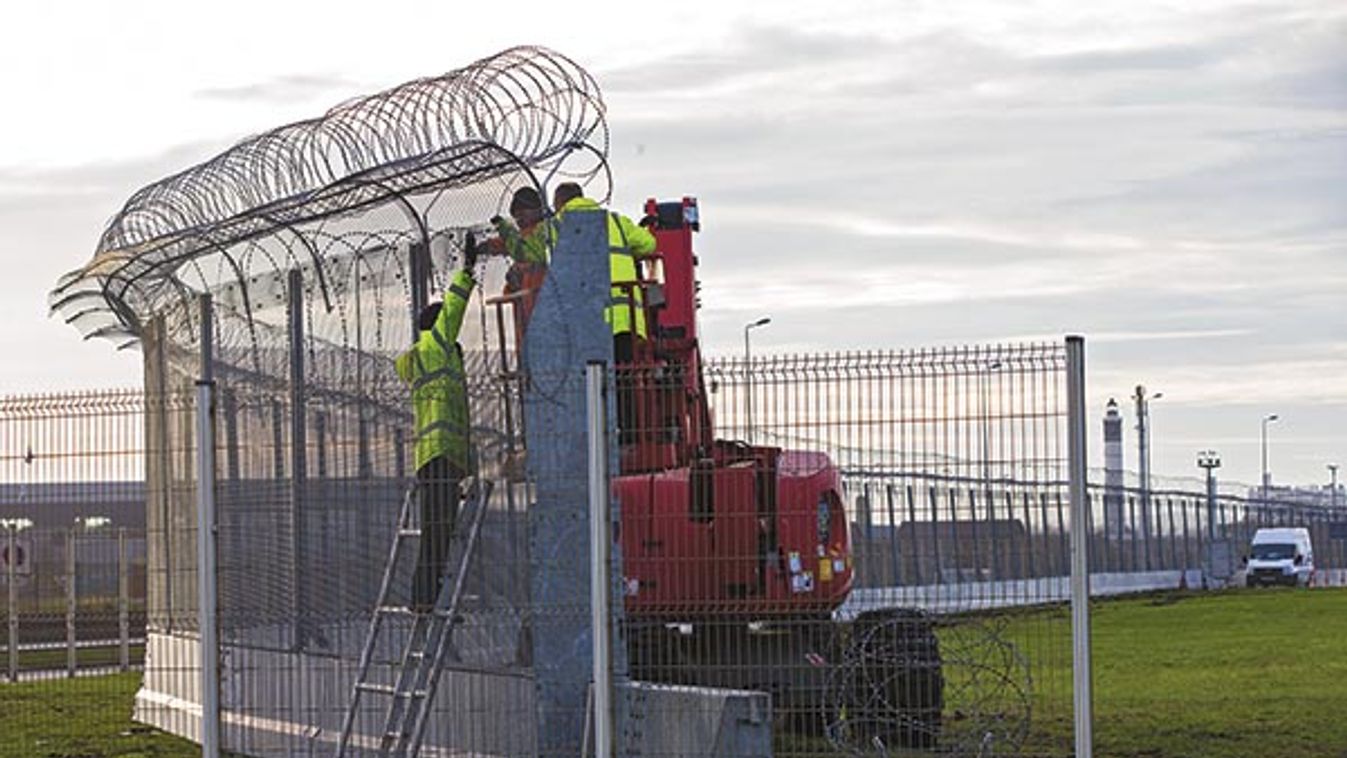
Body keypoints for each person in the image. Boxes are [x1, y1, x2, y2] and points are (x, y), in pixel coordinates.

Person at [395, 232, 479, 613]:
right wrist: (467, 271)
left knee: (436, 529)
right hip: (442, 455)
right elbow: (455, 309)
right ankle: (424, 599)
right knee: (438, 532)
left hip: (433, 457)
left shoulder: (422, 358)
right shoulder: (437, 345)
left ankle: (423, 597)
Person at [550, 182, 657, 443]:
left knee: (589, 382)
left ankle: (596, 437)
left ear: (559, 203)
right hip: (625, 317)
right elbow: (649, 244)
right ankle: (628, 436)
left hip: (589, 318)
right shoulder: (615, 221)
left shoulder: (557, 225)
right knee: (624, 379)